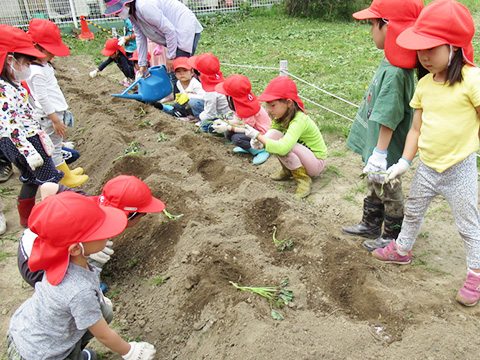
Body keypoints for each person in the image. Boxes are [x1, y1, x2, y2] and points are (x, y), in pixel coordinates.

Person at [371, 0, 480, 308]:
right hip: (428, 167)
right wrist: (405, 161)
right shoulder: (424, 85)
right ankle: (402, 249)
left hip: (460, 168)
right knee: (414, 210)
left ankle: (475, 272)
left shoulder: (473, 81)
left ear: (455, 47)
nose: (424, 56)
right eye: (420, 49)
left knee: (468, 223)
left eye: (432, 48)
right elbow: (416, 130)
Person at [7, 192, 156, 360]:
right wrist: (130, 351)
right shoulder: (78, 291)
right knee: (99, 316)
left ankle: (73, 354)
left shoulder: (62, 260)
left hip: (28, 331)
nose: (107, 233)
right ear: (76, 249)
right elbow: (104, 335)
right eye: (100, 231)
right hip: (40, 354)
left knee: (102, 311)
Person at [341, 0, 424, 252]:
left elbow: (389, 114)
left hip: (387, 146)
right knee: (374, 182)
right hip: (379, 143)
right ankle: (371, 221)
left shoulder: (397, 70)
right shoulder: (391, 61)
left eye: (372, 24)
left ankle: (393, 232)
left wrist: (380, 153)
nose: (370, 30)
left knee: (389, 186)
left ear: (389, 27)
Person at [17, 175, 166, 288]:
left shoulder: (86, 200)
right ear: (130, 215)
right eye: (143, 214)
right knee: (94, 253)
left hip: (31, 242)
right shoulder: (97, 231)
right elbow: (46, 188)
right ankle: (87, 286)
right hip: (34, 264)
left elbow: (47, 188)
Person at [0, 25, 63, 228]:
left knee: (29, 179)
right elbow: (11, 125)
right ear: (10, 61)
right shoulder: (5, 91)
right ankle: (55, 220)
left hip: (20, 142)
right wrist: (30, 151)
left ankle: (26, 219)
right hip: (26, 142)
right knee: (50, 181)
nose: (29, 66)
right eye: (26, 62)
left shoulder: (11, 85)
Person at [27, 18, 89, 189]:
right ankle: (63, 177)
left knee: (55, 144)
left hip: (54, 113)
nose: (53, 55)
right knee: (53, 147)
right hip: (48, 116)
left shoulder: (43, 65)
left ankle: (64, 172)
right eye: (49, 51)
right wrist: (55, 119)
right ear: (36, 48)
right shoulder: (36, 71)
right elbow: (42, 98)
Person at [243, 76, 327, 198]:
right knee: (272, 136)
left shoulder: (299, 120)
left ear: (288, 103)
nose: (269, 110)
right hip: (304, 155)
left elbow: (283, 148)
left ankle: (303, 180)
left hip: (316, 162)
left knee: (284, 146)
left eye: (273, 106)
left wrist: (258, 136)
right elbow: (271, 135)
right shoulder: (280, 117)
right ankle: (289, 170)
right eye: (268, 106)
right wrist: (258, 141)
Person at [104, 0, 203, 93]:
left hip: (184, 28)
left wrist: (171, 56)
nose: (115, 14)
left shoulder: (144, 7)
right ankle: (184, 101)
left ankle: (187, 104)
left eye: (117, 10)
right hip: (174, 33)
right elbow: (140, 37)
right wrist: (142, 64)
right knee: (176, 73)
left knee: (179, 70)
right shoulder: (133, 14)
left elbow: (169, 30)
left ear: (126, 3)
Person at [212, 74, 271, 165]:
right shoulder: (238, 103)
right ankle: (247, 147)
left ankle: (261, 150)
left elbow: (247, 128)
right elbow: (237, 120)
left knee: (237, 138)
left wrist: (228, 127)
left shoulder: (249, 109)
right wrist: (225, 122)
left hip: (261, 134)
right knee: (228, 133)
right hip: (251, 130)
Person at [186, 53, 230, 133]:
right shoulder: (222, 81)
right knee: (195, 102)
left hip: (226, 118)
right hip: (228, 113)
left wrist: (201, 116)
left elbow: (210, 115)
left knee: (204, 126)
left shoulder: (211, 92)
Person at [164, 56, 205, 121]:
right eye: (178, 71)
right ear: (174, 74)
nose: (182, 73)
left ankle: (199, 118)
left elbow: (205, 97)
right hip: (190, 106)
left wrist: (188, 96)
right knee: (177, 103)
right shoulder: (179, 83)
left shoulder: (195, 84)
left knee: (193, 102)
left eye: (185, 70)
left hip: (202, 107)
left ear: (192, 72)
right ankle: (188, 115)